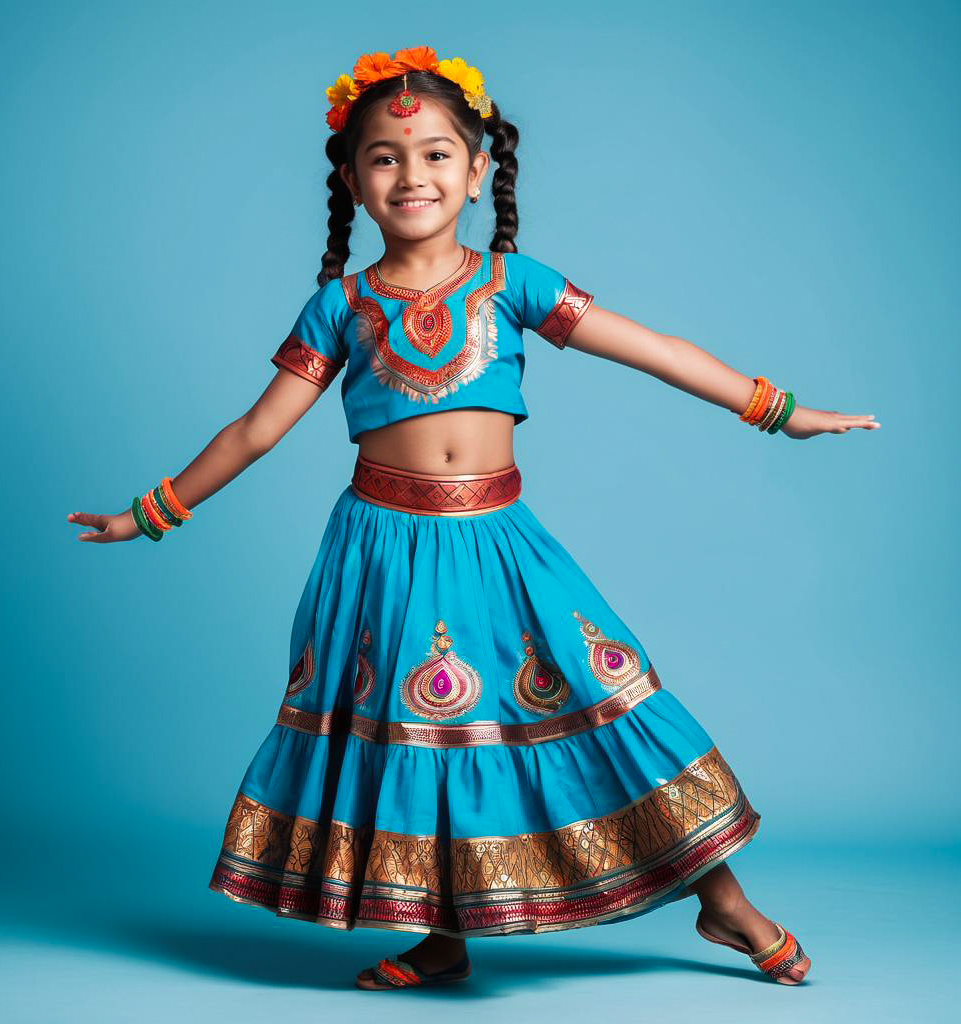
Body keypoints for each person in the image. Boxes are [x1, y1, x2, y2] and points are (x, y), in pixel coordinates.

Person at [67, 46, 879, 992]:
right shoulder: (340, 307)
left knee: (601, 707)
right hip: (381, 550)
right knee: (419, 738)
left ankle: (723, 902)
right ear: (352, 180)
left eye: (437, 154)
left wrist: (781, 412)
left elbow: (652, 349)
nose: (413, 175)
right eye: (385, 157)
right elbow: (255, 431)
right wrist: (151, 513)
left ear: (480, 168)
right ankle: (442, 938)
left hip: (500, 545)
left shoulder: (512, 283)